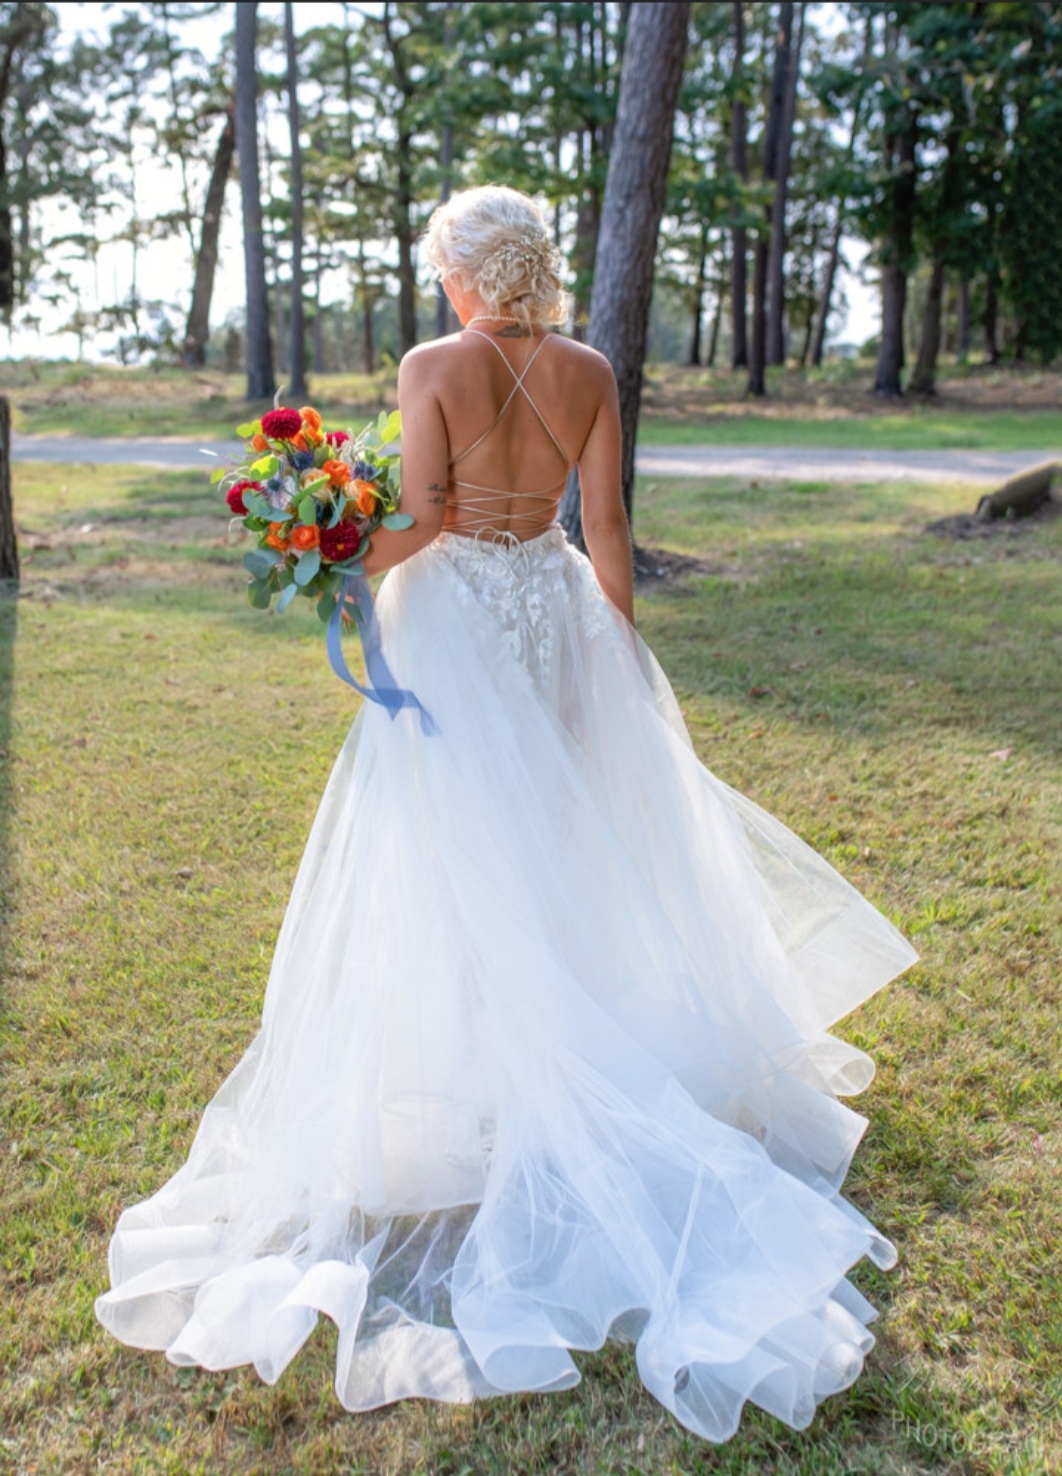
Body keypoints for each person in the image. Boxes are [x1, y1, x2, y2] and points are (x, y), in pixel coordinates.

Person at [95, 186, 917, 1445]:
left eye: (444, 269)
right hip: (558, 617)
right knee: (552, 855)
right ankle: (524, 1066)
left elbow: (424, 521)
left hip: (458, 635)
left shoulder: (435, 365)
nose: (441, 289)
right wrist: (613, 663)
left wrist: (329, 549)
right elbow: (606, 525)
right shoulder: (589, 371)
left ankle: (488, 1081)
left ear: (470, 274)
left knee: (448, 859)